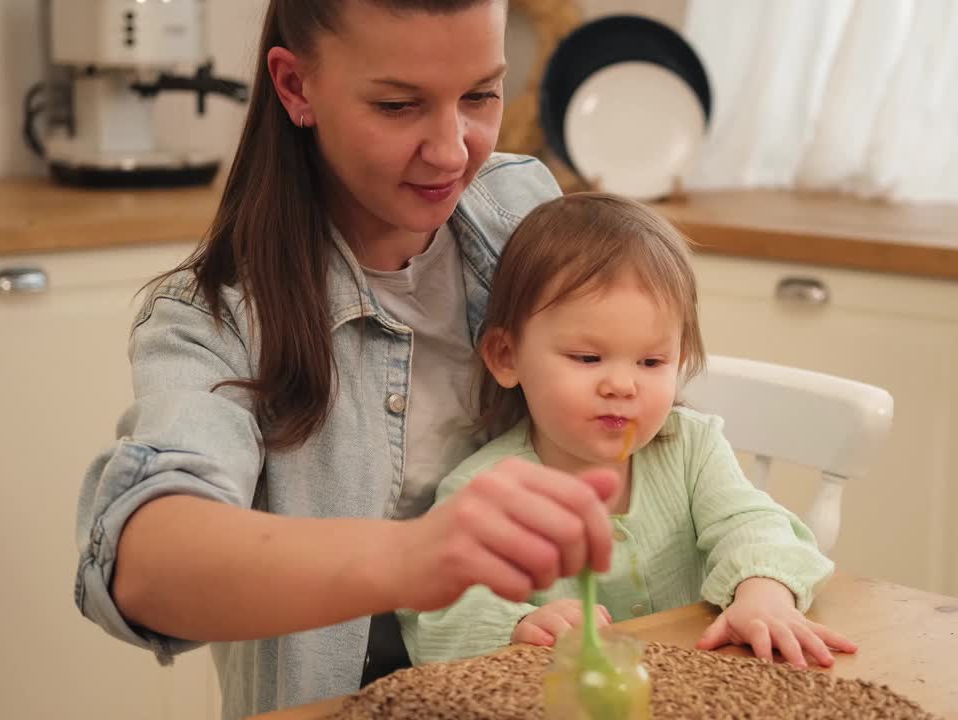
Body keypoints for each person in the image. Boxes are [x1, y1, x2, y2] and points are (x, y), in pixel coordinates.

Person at [72, 2, 620, 719]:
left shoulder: (522, 207)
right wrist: (416, 557)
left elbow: (666, 436)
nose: (453, 151)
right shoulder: (213, 316)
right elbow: (141, 566)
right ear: (297, 87)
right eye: (398, 105)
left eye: (481, 94)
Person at [398, 193, 859, 669]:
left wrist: (763, 591)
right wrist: (516, 625)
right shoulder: (486, 490)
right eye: (587, 358)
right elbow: (440, 608)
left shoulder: (690, 447)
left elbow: (754, 525)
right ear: (507, 357)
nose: (621, 384)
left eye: (652, 361)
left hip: (700, 686)